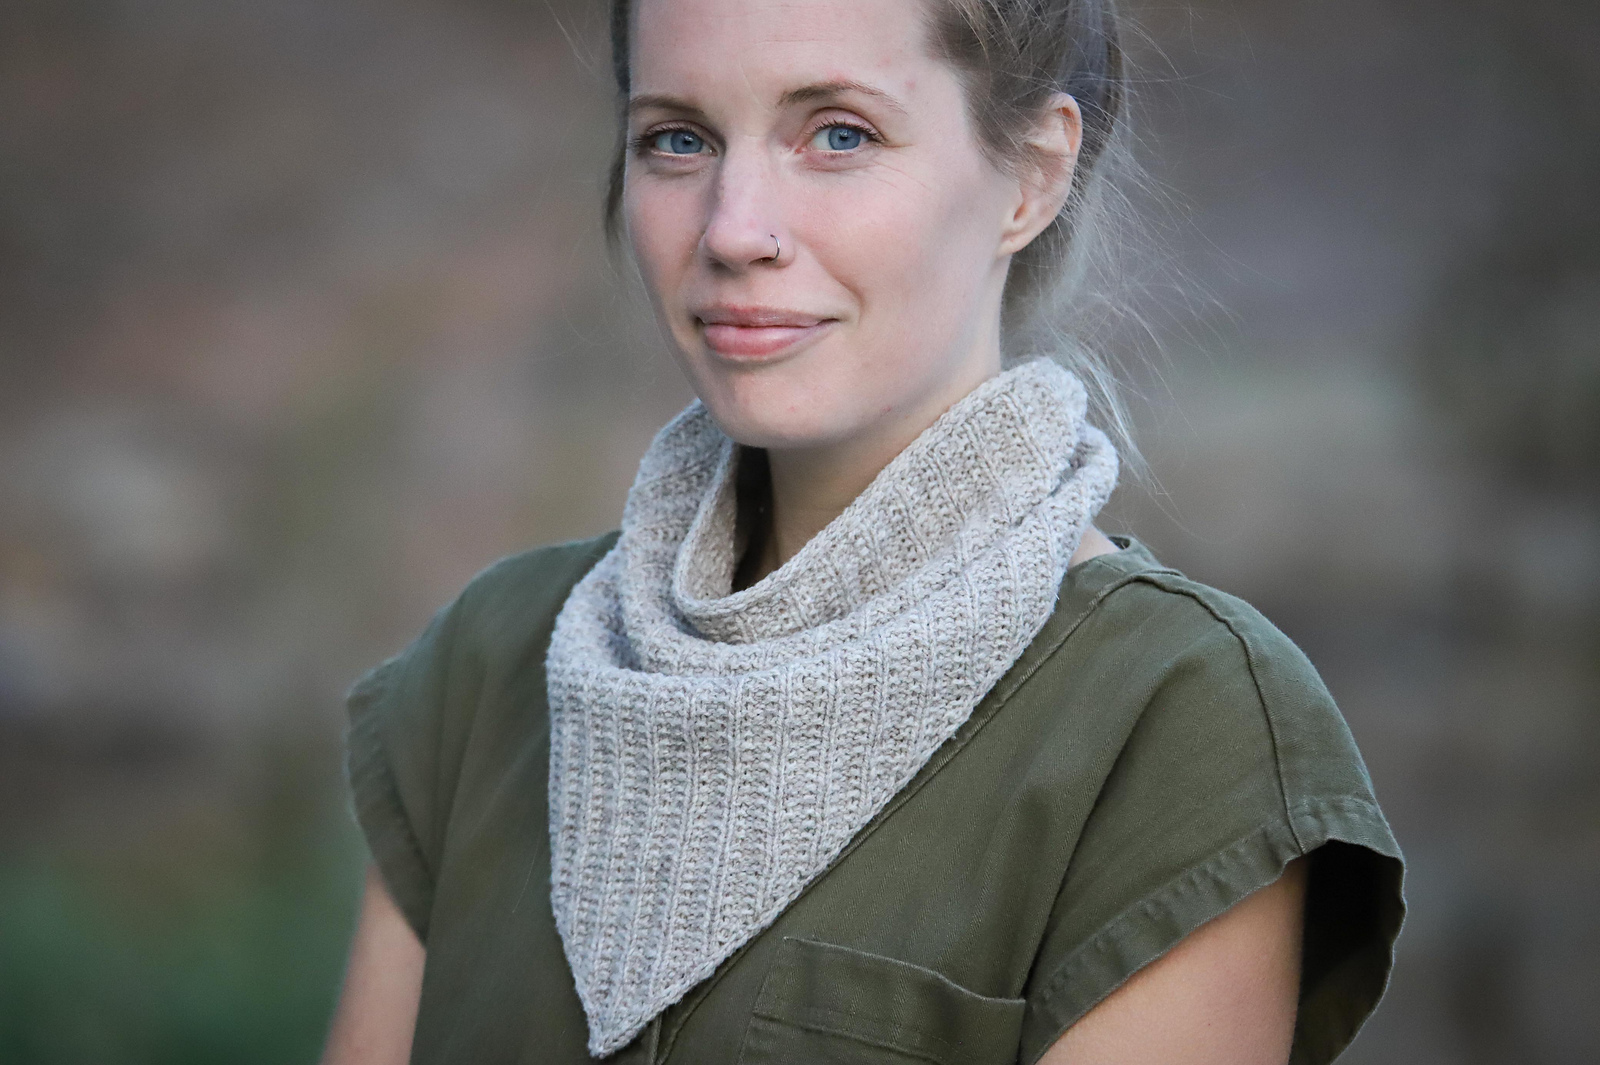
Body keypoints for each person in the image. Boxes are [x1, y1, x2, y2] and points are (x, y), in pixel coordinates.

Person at [321, 0, 1405, 1061]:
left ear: (1031, 174)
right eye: (677, 138)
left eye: (838, 133)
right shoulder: (492, 662)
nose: (732, 228)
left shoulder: (1180, 729)